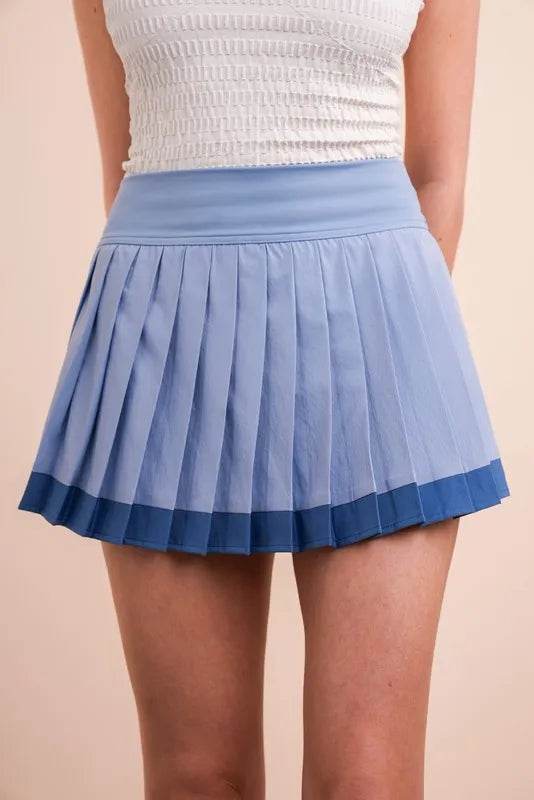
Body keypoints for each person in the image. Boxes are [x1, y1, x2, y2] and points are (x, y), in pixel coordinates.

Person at [19, 1, 509, 798]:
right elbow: (130, 162)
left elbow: (438, 175)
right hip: (169, 322)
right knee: (196, 780)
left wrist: (383, 340)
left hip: (376, 328)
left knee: (367, 782)